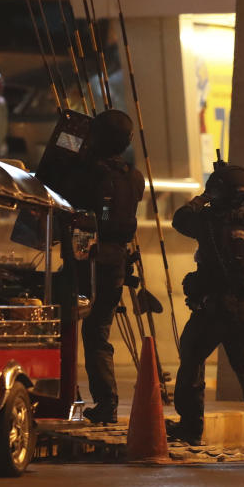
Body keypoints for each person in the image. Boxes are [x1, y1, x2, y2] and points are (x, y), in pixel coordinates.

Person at [170, 162, 244, 462]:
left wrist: (203, 197)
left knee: (191, 362)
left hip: (212, 309)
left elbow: (180, 219)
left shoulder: (208, 222)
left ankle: (191, 427)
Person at [63, 109, 145, 424]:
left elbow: (60, 194)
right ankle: (106, 401)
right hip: (117, 260)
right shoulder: (133, 176)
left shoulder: (86, 174)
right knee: (98, 330)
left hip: (87, 255)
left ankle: (70, 395)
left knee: (69, 326)